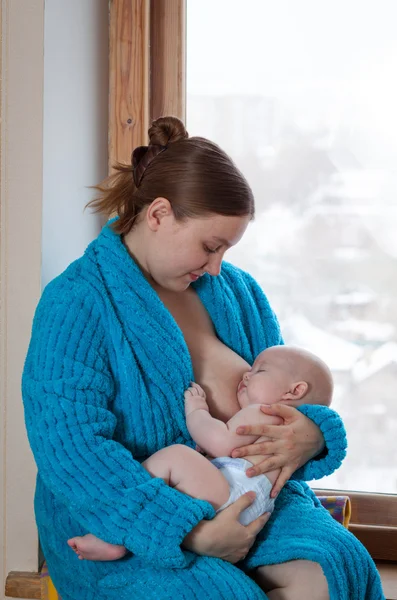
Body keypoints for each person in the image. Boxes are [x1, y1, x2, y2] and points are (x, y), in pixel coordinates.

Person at [21, 116, 384, 600]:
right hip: (124, 525)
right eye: (210, 246)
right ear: (158, 214)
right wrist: (189, 532)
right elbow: (72, 452)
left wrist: (311, 433)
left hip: (246, 499)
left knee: (338, 567)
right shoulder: (78, 304)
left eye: (226, 250)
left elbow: (285, 387)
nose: (217, 266)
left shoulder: (236, 292)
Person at [67, 345, 334, 561]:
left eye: (259, 370)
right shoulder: (289, 427)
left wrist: (197, 411)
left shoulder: (266, 413)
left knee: (175, 457)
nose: (246, 375)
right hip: (249, 503)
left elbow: (222, 442)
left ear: (294, 391)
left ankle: (111, 534)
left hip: (236, 492)